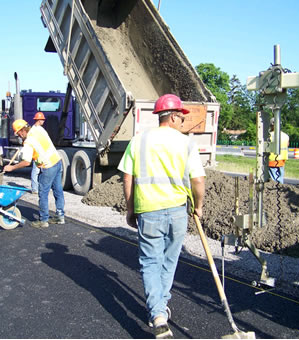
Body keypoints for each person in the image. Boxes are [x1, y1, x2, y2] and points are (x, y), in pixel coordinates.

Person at [117, 94, 205, 339]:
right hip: (177, 211)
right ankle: (160, 308)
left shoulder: (139, 141)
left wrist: (130, 209)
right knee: (168, 261)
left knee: (151, 262)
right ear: (174, 115)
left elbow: (128, 177)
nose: (183, 122)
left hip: (149, 210)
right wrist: (198, 206)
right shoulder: (186, 143)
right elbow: (198, 179)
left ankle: (157, 313)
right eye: (182, 117)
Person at [4, 119, 65, 228]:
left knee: (43, 193)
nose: (19, 136)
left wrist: (11, 168)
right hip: (57, 161)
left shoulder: (28, 142)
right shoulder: (38, 129)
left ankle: (43, 220)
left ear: (22, 131)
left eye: (18, 134)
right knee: (58, 190)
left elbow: (26, 162)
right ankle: (60, 216)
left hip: (48, 166)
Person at [268, 118, 289, 184]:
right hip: (282, 160)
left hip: (272, 160)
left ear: (272, 125)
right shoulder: (286, 136)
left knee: (273, 181)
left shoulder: (269, 135)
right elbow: (287, 145)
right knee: (280, 179)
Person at [30, 112, 46, 194]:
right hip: (37, 154)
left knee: (40, 171)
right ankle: (34, 189)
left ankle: (38, 188)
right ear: (38, 120)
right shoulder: (34, 130)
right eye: (42, 119)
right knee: (36, 171)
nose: (43, 121)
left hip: (41, 154)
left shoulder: (39, 129)